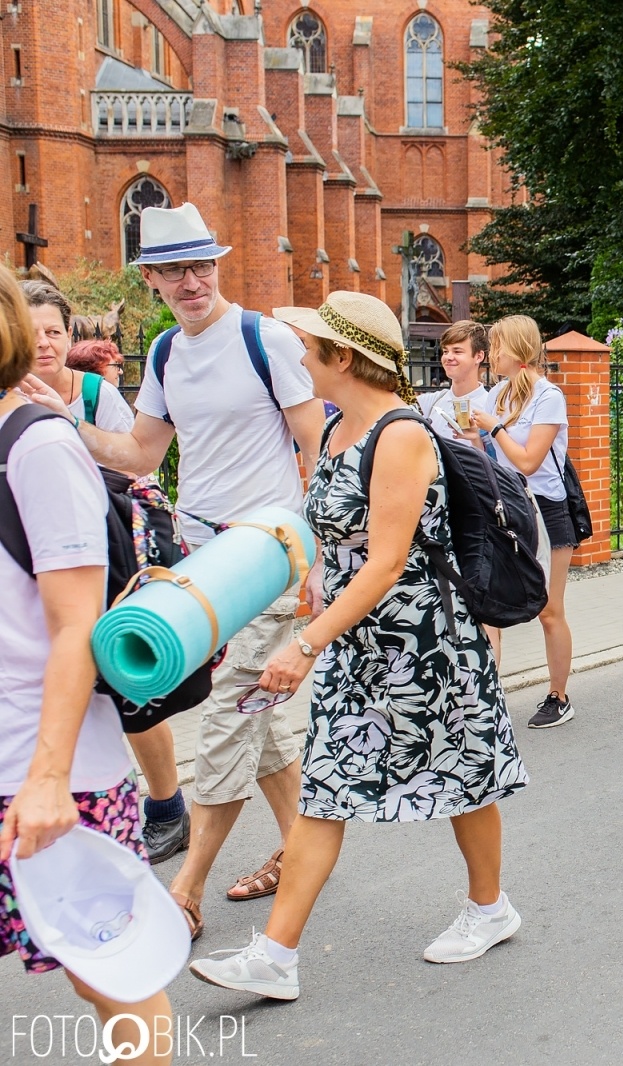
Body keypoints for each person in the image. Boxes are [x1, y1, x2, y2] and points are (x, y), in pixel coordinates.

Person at [188, 292, 527, 1001]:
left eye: (308, 347)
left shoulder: (401, 434)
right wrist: (311, 573)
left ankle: (490, 907)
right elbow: (336, 534)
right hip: (359, 641)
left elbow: (386, 560)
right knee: (327, 786)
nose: (298, 357)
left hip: (424, 643)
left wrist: (303, 644)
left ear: (343, 357)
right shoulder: (339, 427)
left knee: (463, 776)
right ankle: (277, 955)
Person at [18, 203, 324, 942]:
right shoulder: (164, 354)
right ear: (150, 277)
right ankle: (304, 844)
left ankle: (184, 891)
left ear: (216, 265)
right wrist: (61, 422)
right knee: (255, 715)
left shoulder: (265, 339)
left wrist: (321, 558)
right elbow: (141, 456)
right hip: (199, 562)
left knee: (225, 715)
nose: (192, 281)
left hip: (272, 554)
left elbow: (317, 446)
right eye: (174, 270)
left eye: (202, 265)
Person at [0, 270, 175, 1063]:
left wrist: (45, 778)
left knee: (110, 976)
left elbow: (78, 628)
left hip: (50, 771)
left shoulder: (37, 444)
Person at [22, 284, 192, 865]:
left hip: (110, 552)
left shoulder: (93, 391)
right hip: (36, 554)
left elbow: (135, 461)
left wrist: (65, 423)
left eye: (55, 331)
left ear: (70, 339)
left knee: (125, 691)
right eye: (34, 330)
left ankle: (166, 803)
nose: (44, 341)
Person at [468, 316, 577, 727]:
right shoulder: (495, 394)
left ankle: (558, 695)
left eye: (497, 346)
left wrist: (492, 427)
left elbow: (529, 460)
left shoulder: (548, 396)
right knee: (491, 601)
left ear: (517, 349)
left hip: (546, 509)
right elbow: (485, 455)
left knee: (549, 610)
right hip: (507, 508)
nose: (492, 354)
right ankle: (488, 691)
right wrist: (468, 433)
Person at [23, 283, 135, 434]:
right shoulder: (6, 400)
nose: (43, 343)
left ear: (69, 336)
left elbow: (129, 455)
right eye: (30, 333)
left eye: (53, 332)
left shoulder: (101, 395)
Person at [418, 320, 493, 441]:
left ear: (479, 356)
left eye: (457, 351)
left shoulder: (490, 406)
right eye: (446, 351)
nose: (448, 357)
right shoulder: (431, 402)